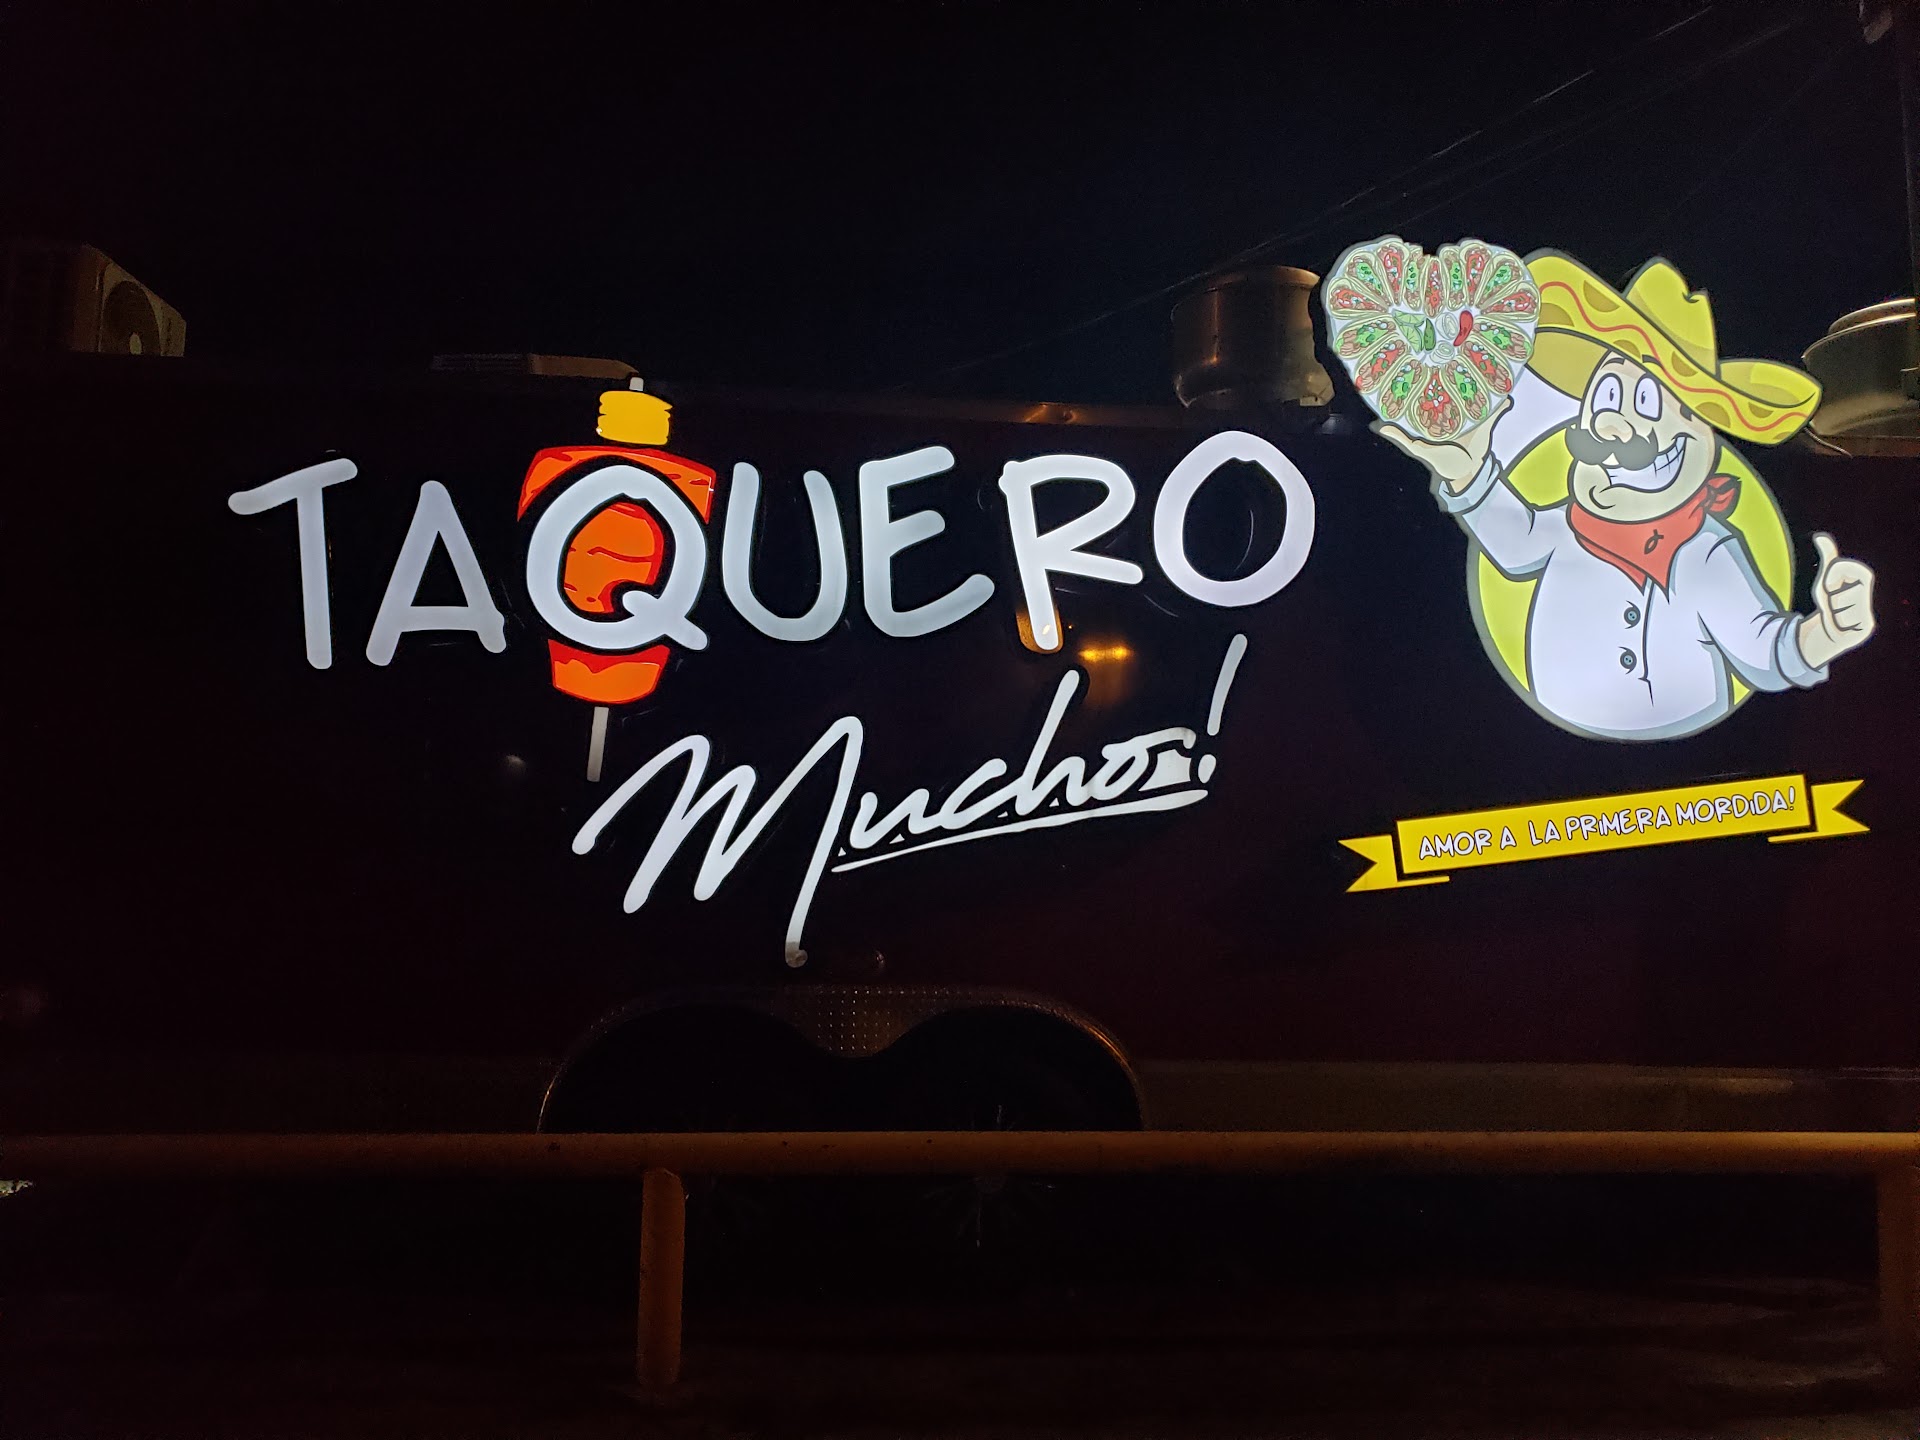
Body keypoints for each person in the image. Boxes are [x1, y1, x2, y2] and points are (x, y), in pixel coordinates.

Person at [1378, 253, 1876, 742]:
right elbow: (1514, 540)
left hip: (1705, 760)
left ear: (1701, 432)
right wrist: (1470, 474)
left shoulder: (1708, 552)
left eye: (1647, 401)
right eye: (1606, 398)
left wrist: (1830, 633)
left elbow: (1765, 650)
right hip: (1549, 760)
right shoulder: (1567, 529)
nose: (1613, 428)